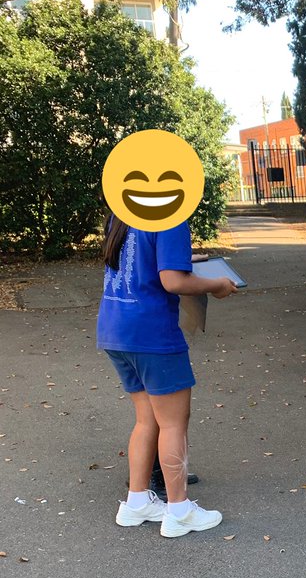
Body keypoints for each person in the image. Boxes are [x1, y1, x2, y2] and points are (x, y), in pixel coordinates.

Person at [97, 214, 237, 536]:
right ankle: (179, 510)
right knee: (173, 423)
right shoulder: (169, 214)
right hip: (153, 334)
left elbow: (144, 259)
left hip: (116, 328)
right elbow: (172, 281)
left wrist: (185, 260)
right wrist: (216, 285)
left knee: (146, 420)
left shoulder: (121, 213)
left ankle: (136, 503)